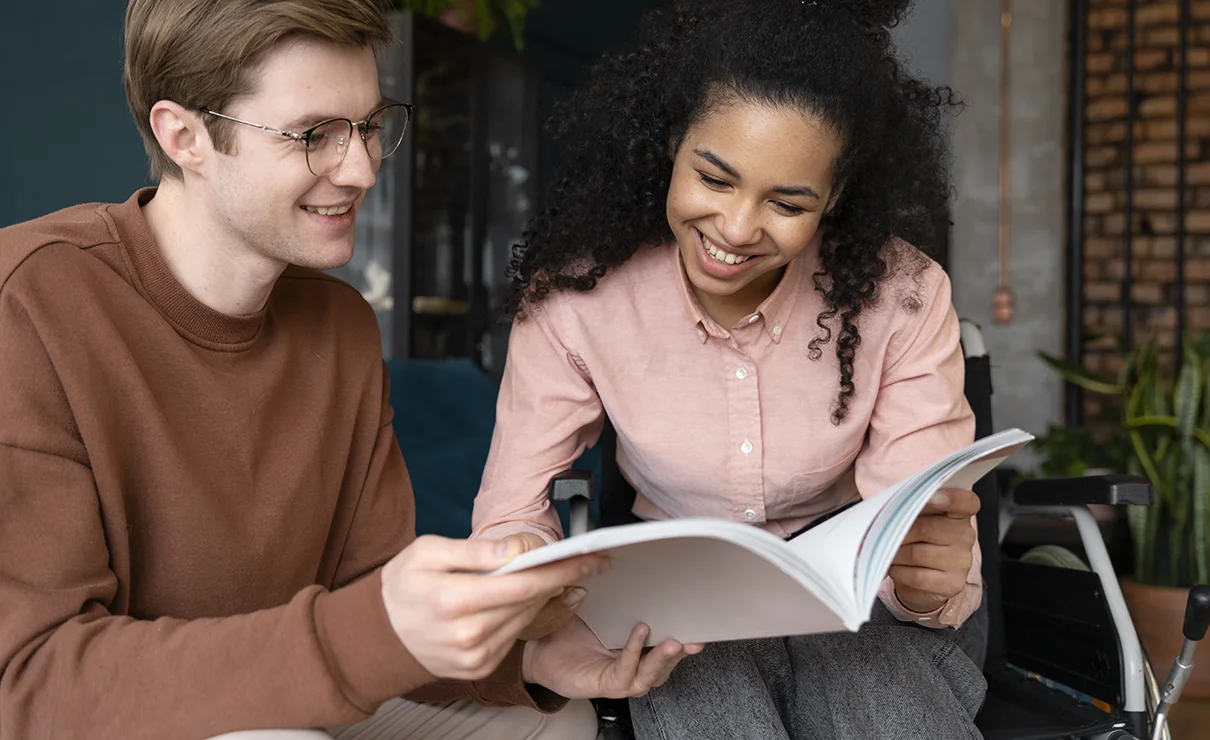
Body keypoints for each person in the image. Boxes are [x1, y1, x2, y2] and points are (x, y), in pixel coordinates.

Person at [0, 1, 701, 738]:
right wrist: (362, 633)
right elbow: (29, 682)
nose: (362, 168)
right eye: (314, 135)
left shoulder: (339, 327)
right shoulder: (30, 305)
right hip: (105, 719)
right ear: (184, 135)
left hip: (290, 687)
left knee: (559, 723)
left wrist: (520, 657)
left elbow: (370, 606)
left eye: (368, 126)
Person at [471, 0, 990, 738]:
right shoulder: (577, 301)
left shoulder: (902, 296)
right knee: (703, 680)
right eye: (714, 179)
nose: (739, 229)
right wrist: (527, 566)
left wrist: (926, 579)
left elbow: (911, 527)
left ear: (832, 199)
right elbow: (511, 514)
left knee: (865, 678)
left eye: (786, 202)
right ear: (672, 145)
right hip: (692, 607)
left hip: (868, 612)